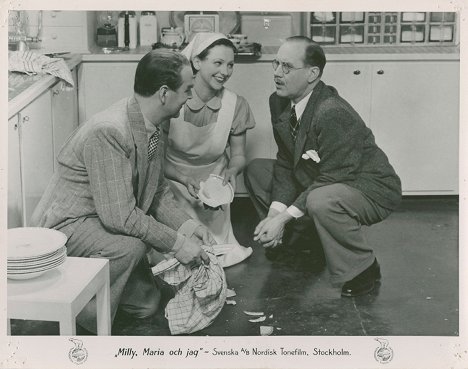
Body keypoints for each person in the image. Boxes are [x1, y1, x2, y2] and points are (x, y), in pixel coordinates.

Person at [31, 49, 216, 333]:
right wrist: (178, 244)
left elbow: (156, 192)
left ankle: (97, 291)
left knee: (147, 304)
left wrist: (189, 226)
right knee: (131, 245)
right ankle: (81, 312)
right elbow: (120, 217)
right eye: (187, 89)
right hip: (69, 226)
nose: (190, 97)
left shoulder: (152, 123)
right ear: (164, 93)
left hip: (101, 218)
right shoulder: (109, 130)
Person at [244, 36, 402, 297]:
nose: (276, 73)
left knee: (321, 200)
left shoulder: (331, 111)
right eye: (275, 64)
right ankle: (304, 244)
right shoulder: (279, 100)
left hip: (368, 187)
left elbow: (333, 176)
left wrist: (283, 218)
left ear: (312, 73)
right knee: (258, 171)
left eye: (287, 67)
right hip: (325, 178)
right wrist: (274, 214)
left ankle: (363, 268)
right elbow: (285, 159)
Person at [160, 32, 255, 268]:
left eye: (230, 64)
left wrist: (232, 171)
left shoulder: (236, 104)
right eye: (218, 63)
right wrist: (182, 178)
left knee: (216, 252)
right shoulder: (173, 99)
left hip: (214, 182)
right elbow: (156, 160)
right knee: (175, 252)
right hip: (173, 180)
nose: (225, 71)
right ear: (196, 62)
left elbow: (239, 155)